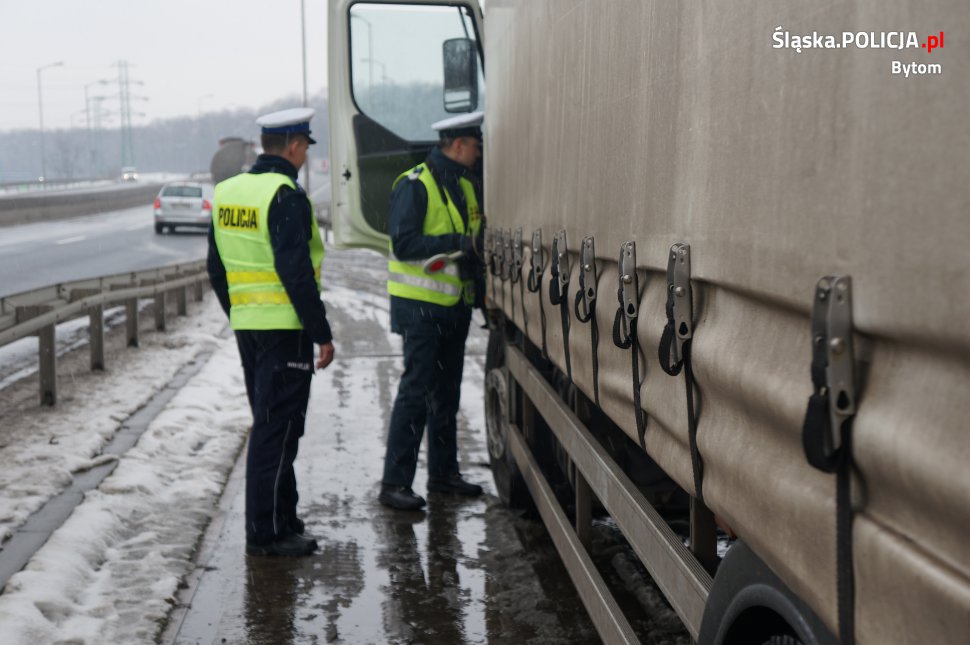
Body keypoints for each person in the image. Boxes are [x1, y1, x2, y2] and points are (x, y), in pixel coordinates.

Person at [207, 107, 335, 555]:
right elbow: (296, 271)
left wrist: (239, 312)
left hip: (250, 328)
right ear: (295, 147)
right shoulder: (284, 194)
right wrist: (321, 332)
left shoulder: (228, 192)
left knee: (275, 427)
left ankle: (284, 519)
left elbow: (215, 268)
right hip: (285, 329)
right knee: (275, 432)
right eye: (304, 148)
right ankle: (265, 533)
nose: (305, 156)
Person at [379, 111, 487, 511]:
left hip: (453, 307)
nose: (479, 153)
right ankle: (394, 484)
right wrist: (457, 242)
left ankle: (443, 474)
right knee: (415, 394)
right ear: (458, 145)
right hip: (420, 309)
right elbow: (403, 243)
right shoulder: (415, 184)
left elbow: (475, 248)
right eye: (475, 145)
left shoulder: (467, 185)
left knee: (446, 395)